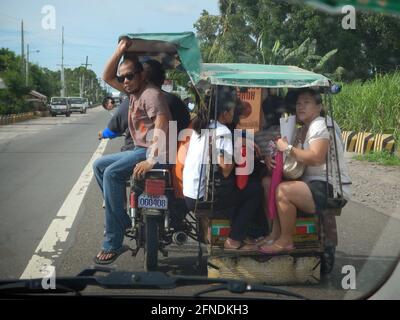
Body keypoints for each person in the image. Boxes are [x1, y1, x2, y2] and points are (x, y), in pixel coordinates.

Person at [93, 38, 172, 264]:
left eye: (130, 75)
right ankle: (122, 219)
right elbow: (106, 76)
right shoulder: (133, 92)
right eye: (123, 77)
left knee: (112, 173)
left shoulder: (150, 94)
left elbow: (162, 123)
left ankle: (113, 242)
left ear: (142, 75)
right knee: (99, 165)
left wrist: (151, 159)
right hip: (139, 149)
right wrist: (119, 51)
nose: (125, 80)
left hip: (150, 151)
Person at [258, 88, 351, 254]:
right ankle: (274, 233)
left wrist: (287, 148)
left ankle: (285, 240)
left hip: (329, 186)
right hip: (312, 182)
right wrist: (271, 159)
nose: (301, 106)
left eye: (306, 102)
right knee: (267, 182)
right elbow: (294, 159)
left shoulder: (320, 124)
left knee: (283, 191)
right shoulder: (303, 129)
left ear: (319, 106)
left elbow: (315, 158)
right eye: (298, 103)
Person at [183, 87, 262, 251]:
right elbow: (226, 168)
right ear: (225, 112)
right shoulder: (222, 131)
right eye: (232, 109)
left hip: (190, 195)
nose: (234, 113)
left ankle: (238, 233)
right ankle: (234, 240)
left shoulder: (200, 127)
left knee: (236, 189)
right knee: (255, 190)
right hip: (203, 198)